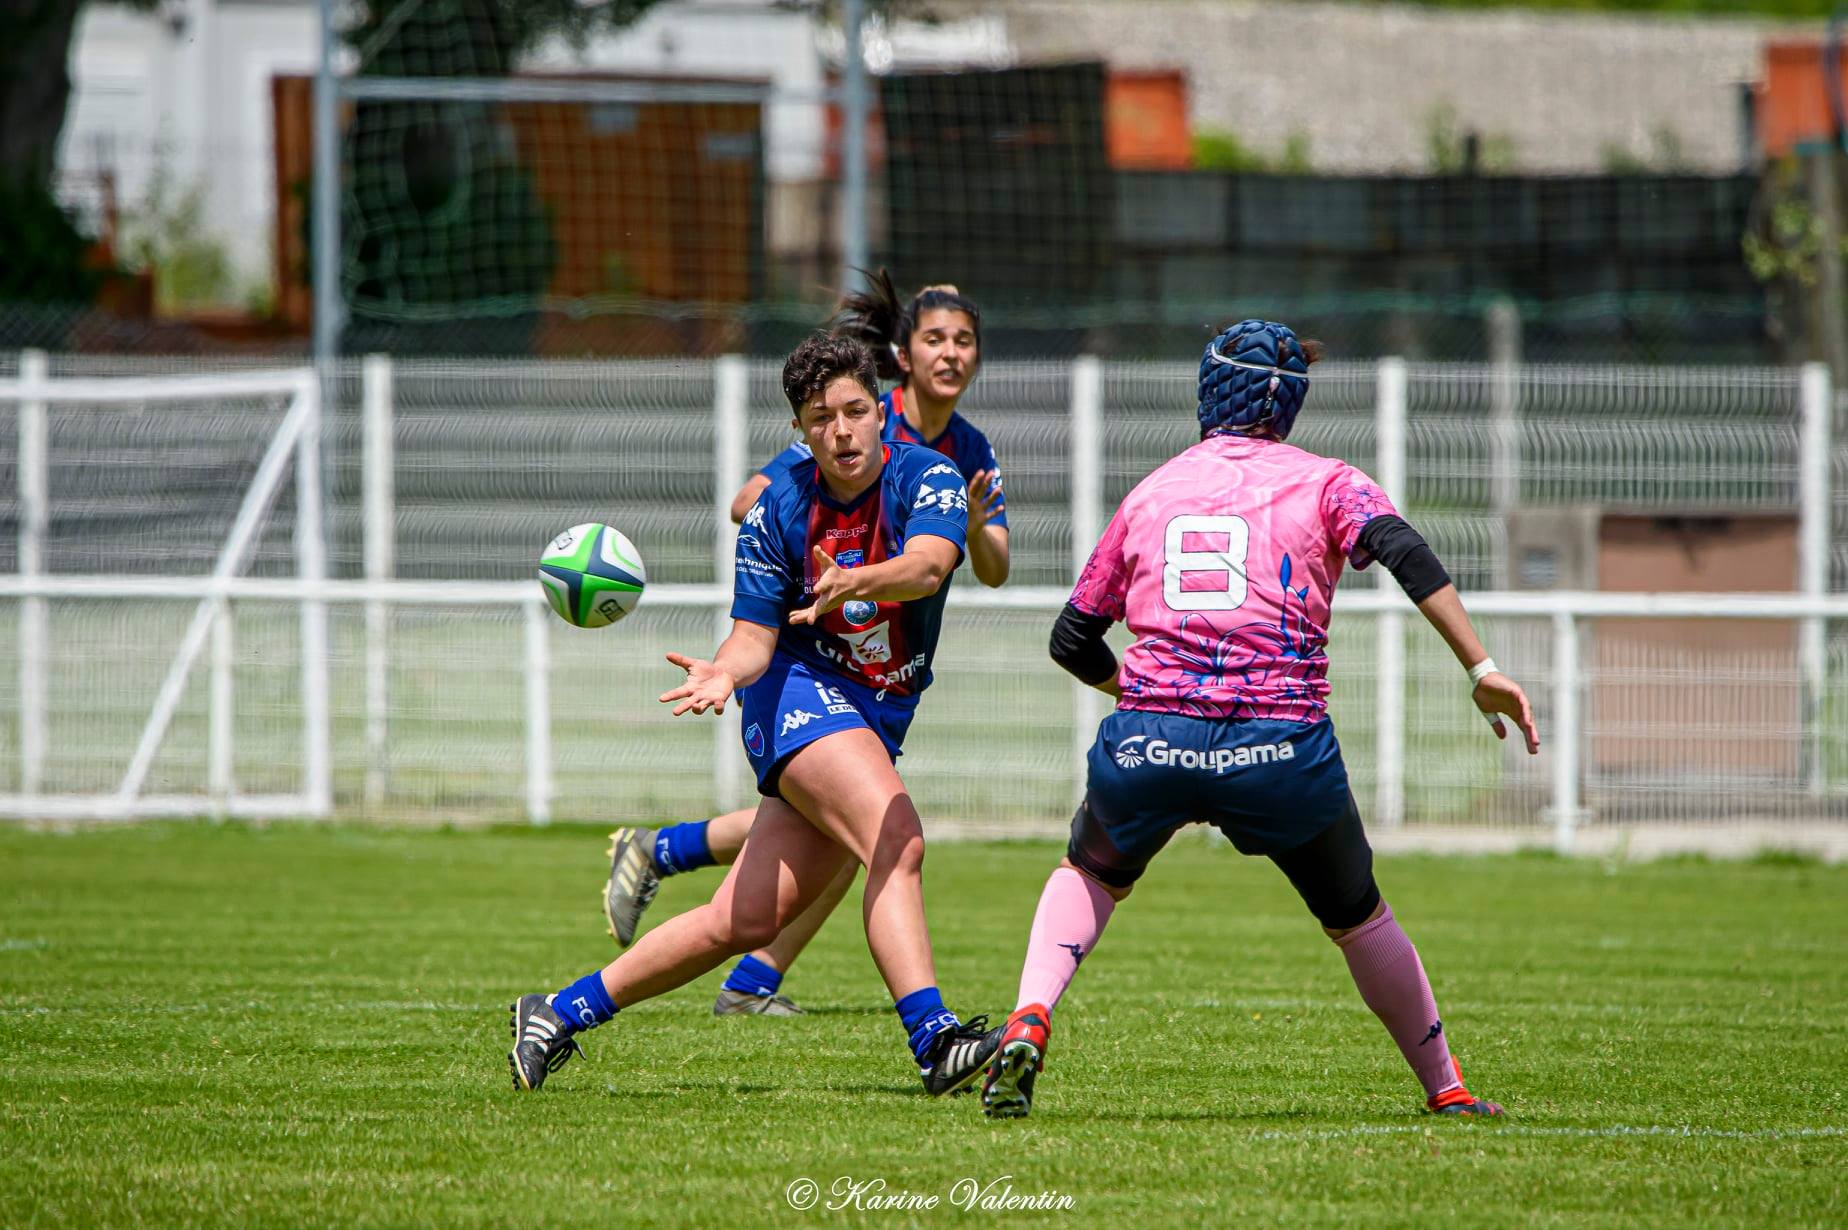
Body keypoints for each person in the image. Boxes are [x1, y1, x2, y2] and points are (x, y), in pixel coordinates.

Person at [979, 320, 1540, 1120]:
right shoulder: (1329, 482)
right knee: (1358, 916)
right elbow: (1406, 552)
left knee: (1091, 873)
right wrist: (1482, 670)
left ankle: (1030, 1016)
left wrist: (1143, 693)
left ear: (1207, 390)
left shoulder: (1152, 490)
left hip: (1149, 744)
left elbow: (1071, 638)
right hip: (1281, 750)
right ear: (1291, 407)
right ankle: (1445, 1086)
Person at [509, 333, 1000, 1096]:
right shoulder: (778, 509)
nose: (840, 430)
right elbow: (753, 639)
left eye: (854, 411)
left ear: (880, 414)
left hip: (874, 710)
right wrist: (721, 672)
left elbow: (931, 565)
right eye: (820, 417)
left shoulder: (927, 475)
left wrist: (857, 579)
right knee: (896, 842)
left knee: (739, 921)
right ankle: (935, 1042)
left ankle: (556, 1012)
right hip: (795, 694)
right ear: (801, 430)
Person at [601, 272, 1011, 1017]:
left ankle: (574, 998)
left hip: (882, 689)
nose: (951, 354)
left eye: (964, 340)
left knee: (756, 908)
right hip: (806, 676)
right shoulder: (824, 451)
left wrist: (953, 534)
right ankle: (931, 1035)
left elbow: (975, 568)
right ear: (903, 358)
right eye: (935, 340)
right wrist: (790, 534)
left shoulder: (955, 457)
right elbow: (749, 520)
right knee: (888, 836)